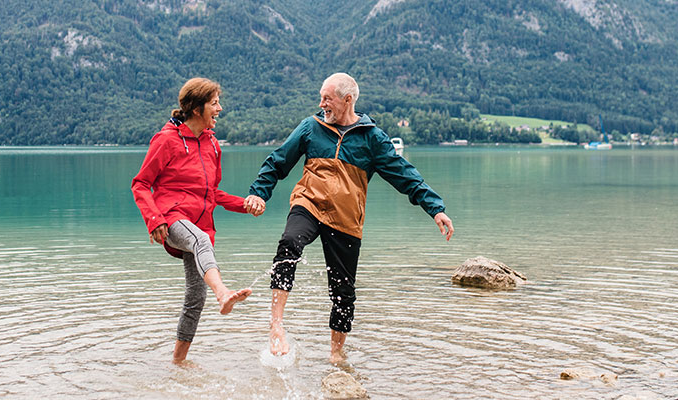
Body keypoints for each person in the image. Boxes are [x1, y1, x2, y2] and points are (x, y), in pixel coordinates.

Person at [243, 73, 454, 365]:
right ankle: (276, 324)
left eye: (327, 99)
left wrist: (435, 208)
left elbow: (404, 174)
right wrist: (259, 193)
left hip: (345, 219)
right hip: (309, 204)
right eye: (321, 98)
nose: (321, 104)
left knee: (343, 290)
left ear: (347, 100)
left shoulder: (372, 139)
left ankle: (336, 354)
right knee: (289, 242)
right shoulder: (311, 127)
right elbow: (278, 160)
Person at [132, 77, 260, 364]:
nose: (220, 108)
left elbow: (212, 193)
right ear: (196, 108)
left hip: (199, 223)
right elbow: (141, 184)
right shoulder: (166, 140)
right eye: (214, 103)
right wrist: (154, 220)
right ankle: (223, 292)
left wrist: (245, 205)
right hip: (171, 219)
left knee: (194, 298)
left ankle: (177, 363)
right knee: (201, 241)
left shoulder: (213, 144)